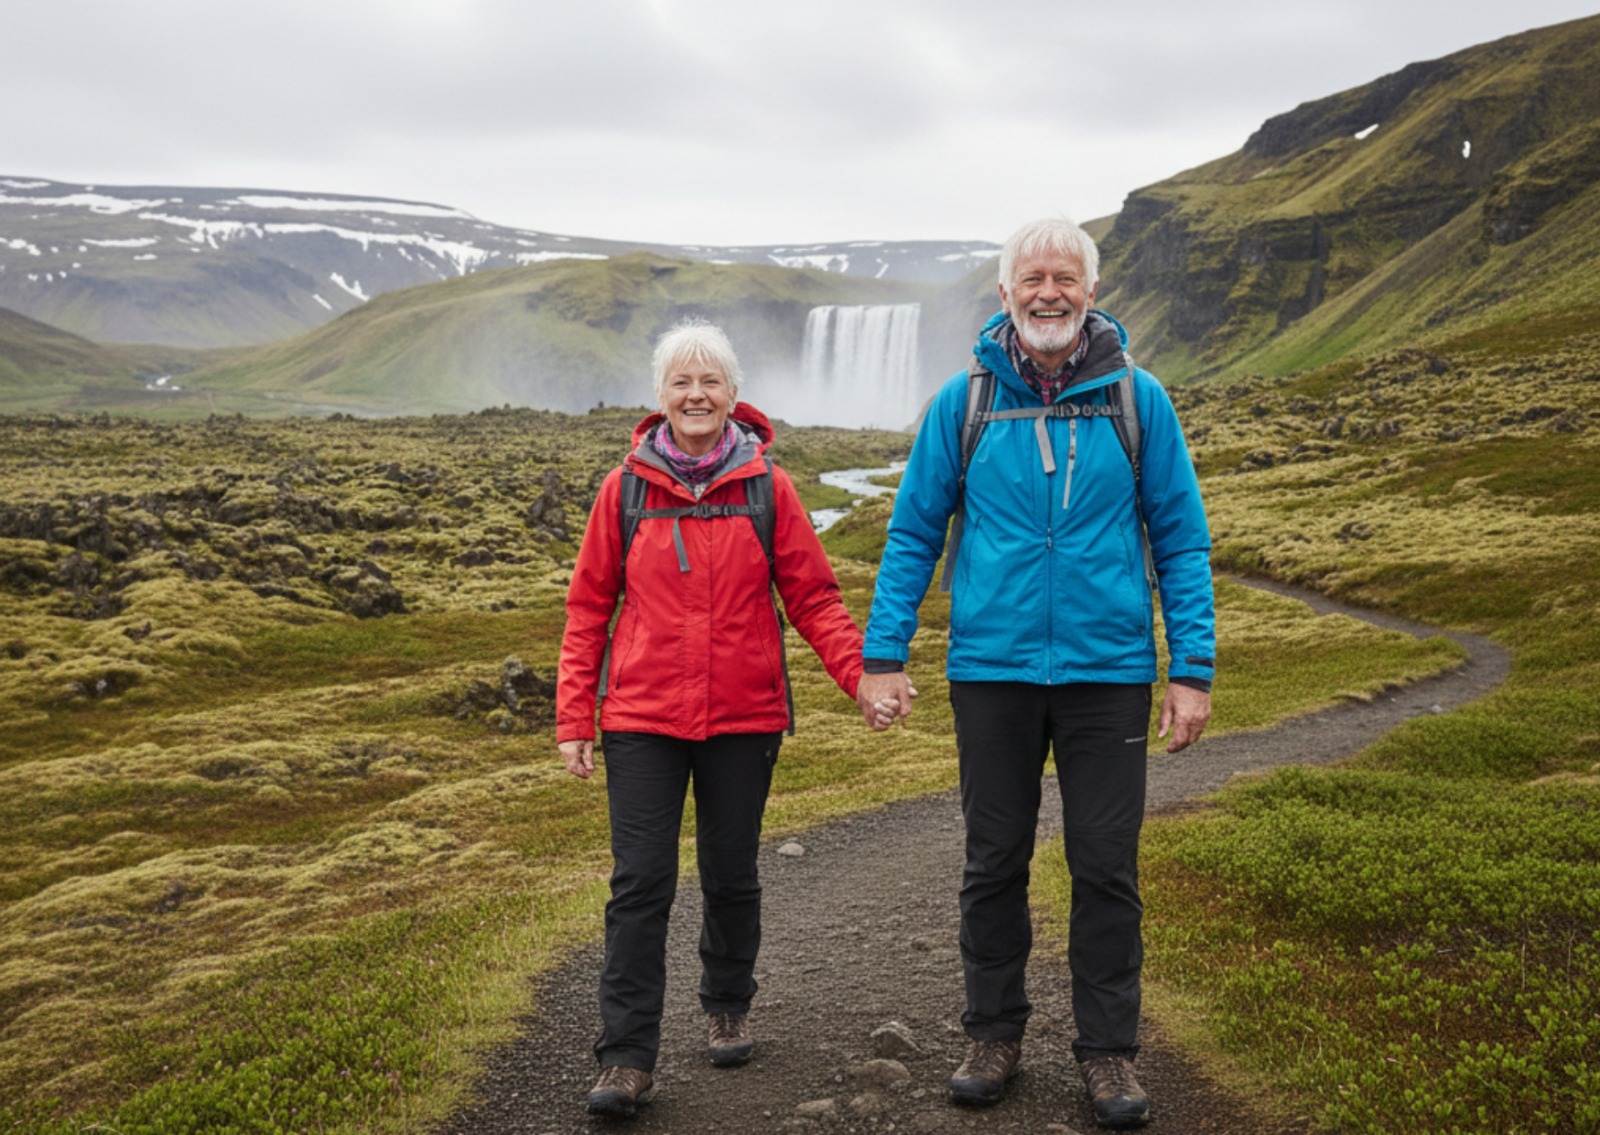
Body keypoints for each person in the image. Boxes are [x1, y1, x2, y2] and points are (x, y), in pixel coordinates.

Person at [857, 218, 1215, 1129]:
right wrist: (884, 655)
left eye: (1065, 276)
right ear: (1006, 291)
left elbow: (1180, 538)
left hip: (1108, 672)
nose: (1048, 291)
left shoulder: (1140, 401)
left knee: (1106, 867)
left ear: (1091, 291)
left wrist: (1192, 669)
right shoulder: (963, 402)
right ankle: (993, 1034)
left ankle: (1108, 1053)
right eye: (1032, 276)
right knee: (992, 861)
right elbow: (912, 531)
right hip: (993, 670)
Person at [557, 318, 899, 1118]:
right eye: (682, 381)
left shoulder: (766, 487)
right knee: (640, 880)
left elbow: (812, 597)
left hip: (744, 717)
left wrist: (860, 678)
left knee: (731, 870)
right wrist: (576, 714)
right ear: (660, 396)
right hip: (641, 716)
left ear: (735, 395)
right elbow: (587, 609)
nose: (697, 394)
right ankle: (625, 1056)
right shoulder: (626, 489)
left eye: (711, 381)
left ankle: (726, 1001)